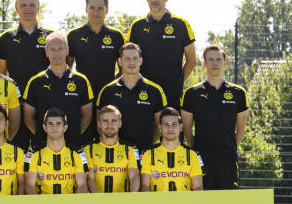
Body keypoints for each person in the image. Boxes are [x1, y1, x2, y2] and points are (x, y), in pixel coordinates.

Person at [181, 45, 248, 190]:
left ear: (225, 63)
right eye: (210, 60)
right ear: (204, 63)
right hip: (201, 160)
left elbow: (241, 128)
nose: (214, 63)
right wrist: (196, 151)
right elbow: (186, 130)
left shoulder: (239, 93)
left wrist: (229, 147)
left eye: (218, 59)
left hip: (228, 160)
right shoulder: (191, 93)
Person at [0, 0, 58, 148]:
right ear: (16, 8)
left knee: (45, 151)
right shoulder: (5, 38)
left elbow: (61, 67)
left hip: (45, 103)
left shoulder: (51, 36)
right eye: (23, 5)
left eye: (32, 4)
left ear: (38, 8)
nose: (28, 8)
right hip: (16, 105)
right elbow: (1, 74)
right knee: (17, 152)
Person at [127, 0, 197, 109]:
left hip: (172, 95)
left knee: (171, 129)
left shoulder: (181, 24)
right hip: (142, 94)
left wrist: (178, 83)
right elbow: (127, 58)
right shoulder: (137, 26)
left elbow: (192, 61)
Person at [22, 32, 93, 149]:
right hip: (43, 148)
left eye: (60, 48)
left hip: (72, 147)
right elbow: (28, 118)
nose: (56, 53)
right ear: (46, 52)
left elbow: (87, 117)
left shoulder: (81, 81)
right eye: (52, 49)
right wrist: (46, 137)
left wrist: (72, 135)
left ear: (67, 50)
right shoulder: (35, 82)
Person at [96, 43, 167, 152]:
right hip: (116, 155)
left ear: (141, 61)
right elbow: (99, 124)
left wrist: (147, 146)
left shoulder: (155, 91)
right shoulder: (107, 91)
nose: (131, 62)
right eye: (127, 58)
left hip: (144, 153)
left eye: (135, 58)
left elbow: (159, 126)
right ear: (120, 62)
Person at [66, 0, 126, 98]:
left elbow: (123, 69)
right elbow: (67, 69)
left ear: (106, 10)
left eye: (100, 8)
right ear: (86, 9)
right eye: (92, 8)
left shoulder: (116, 36)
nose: (96, 12)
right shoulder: (73, 36)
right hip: (81, 95)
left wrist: (112, 87)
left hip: (108, 95)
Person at [24, 108, 91, 194]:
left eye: (58, 124)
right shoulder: (33, 153)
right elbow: (29, 185)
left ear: (65, 127)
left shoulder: (78, 153)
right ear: (45, 127)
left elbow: (82, 185)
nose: (54, 127)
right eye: (50, 124)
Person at [141, 107, 204, 192]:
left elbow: (198, 188)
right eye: (166, 125)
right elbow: (144, 186)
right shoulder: (148, 154)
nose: (170, 128)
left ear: (181, 127)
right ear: (160, 128)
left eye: (174, 124)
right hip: (157, 203)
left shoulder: (193, 155)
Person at [83, 105, 141, 193]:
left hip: (123, 202)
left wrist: (131, 198)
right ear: (99, 123)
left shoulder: (131, 149)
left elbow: (134, 176)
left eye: (114, 121)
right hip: (96, 202)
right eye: (105, 121)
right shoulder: (87, 148)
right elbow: (89, 179)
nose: (109, 125)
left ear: (120, 123)